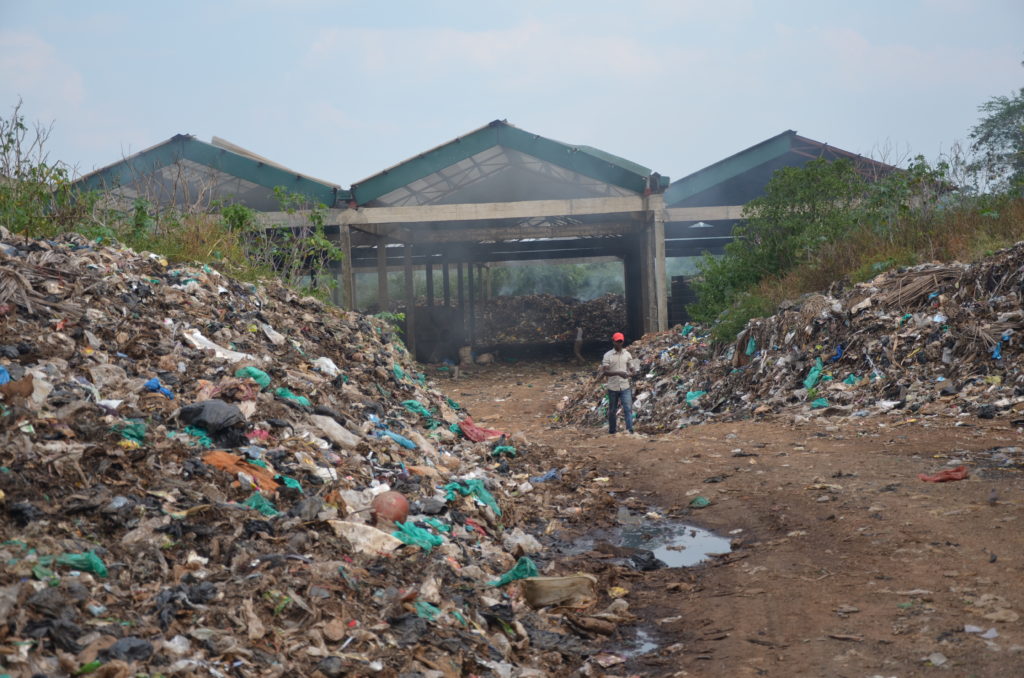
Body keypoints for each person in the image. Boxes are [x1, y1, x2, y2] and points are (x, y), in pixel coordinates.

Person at [600, 332, 635, 434]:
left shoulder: (627, 355)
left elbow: (633, 370)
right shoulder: (608, 355)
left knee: (628, 409)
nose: (619, 343)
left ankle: (630, 430)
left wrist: (630, 374)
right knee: (612, 410)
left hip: (625, 386)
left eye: (620, 341)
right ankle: (612, 431)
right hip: (613, 387)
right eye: (617, 341)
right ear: (613, 341)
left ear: (623, 341)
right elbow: (604, 372)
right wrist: (618, 373)